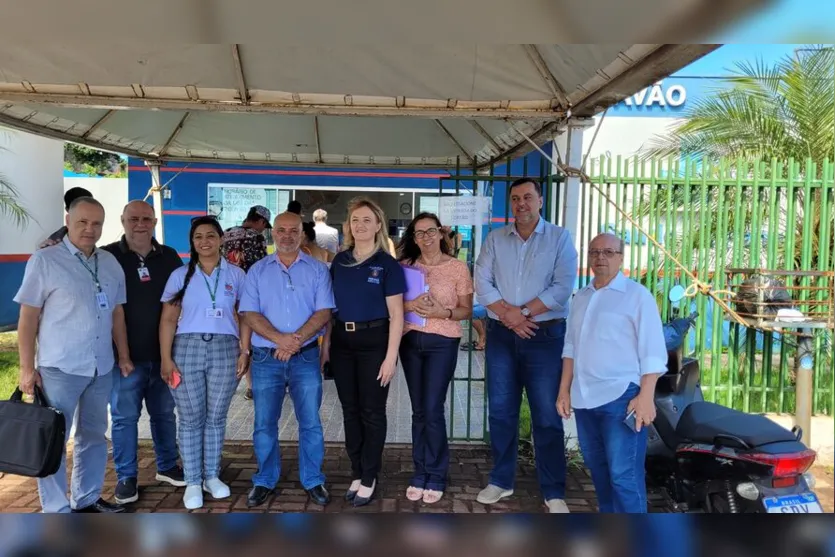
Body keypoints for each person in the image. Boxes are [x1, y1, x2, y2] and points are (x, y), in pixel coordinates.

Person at [14, 196, 128, 513]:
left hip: (100, 367)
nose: (89, 230)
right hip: (59, 368)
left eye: (96, 224)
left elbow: (117, 313)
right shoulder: (45, 260)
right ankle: (55, 509)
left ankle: (86, 498)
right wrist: (26, 369)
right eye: (82, 222)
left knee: (93, 435)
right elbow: (27, 318)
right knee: (52, 439)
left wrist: (123, 355)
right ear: (68, 221)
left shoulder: (109, 262)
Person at [473, 177, 578, 513]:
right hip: (503, 335)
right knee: (501, 412)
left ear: (540, 201)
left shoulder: (560, 238)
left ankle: (553, 490)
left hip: (544, 336)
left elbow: (563, 287)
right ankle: (501, 481)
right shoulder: (494, 239)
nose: (521, 204)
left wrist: (524, 313)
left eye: (528, 197)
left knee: (546, 415)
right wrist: (510, 316)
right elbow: (481, 281)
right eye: (516, 198)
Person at [557, 233, 667, 513]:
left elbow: (652, 351)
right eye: (594, 252)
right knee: (599, 472)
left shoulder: (636, 296)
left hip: (622, 398)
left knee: (624, 477)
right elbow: (570, 346)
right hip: (584, 398)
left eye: (608, 252)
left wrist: (646, 396)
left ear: (621, 257)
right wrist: (564, 390)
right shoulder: (581, 297)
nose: (600, 258)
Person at [238, 212, 335, 508]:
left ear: (302, 234)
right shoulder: (257, 270)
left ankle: (313, 479)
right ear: (273, 234)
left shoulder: (319, 270)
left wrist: (294, 342)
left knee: (311, 423)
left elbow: (324, 312)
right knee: (264, 423)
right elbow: (249, 313)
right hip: (267, 358)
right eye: (281, 230)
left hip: (304, 357)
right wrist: (281, 340)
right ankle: (265, 479)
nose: (287, 235)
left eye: (294, 230)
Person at [159, 216, 250, 510]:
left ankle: (212, 475)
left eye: (211, 236)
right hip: (186, 349)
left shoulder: (236, 275)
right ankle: (193, 480)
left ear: (221, 239)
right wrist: (165, 358)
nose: (205, 242)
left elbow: (245, 316)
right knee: (190, 417)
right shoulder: (179, 275)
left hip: (225, 348)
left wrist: (244, 350)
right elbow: (168, 320)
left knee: (216, 416)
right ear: (192, 242)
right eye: (199, 237)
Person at [322, 197, 406, 507]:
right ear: (348, 226)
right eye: (355, 220)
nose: (360, 225)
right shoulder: (340, 261)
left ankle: (370, 475)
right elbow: (331, 310)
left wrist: (390, 357)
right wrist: (327, 347)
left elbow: (397, 315)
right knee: (350, 410)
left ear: (378, 225)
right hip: (344, 342)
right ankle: (357, 471)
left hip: (375, 343)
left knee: (372, 412)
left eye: (367, 220)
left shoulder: (387, 264)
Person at [102, 200, 186, 505]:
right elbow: (112, 308)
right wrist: (123, 355)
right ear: (122, 221)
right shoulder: (108, 256)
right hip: (125, 357)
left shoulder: (169, 256)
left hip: (163, 354)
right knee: (124, 418)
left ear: (154, 222)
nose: (140, 224)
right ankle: (127, 477)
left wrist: (173, 353)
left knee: (164, 414)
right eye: (133, 219)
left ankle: (167, 466)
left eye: (146, 219)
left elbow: (180, 302)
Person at [397, 213, 473, 504]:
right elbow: (393, 305)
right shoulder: (405, 267)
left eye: (431, 231)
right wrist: (409, 304)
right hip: (411, 339)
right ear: (413, 238)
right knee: (418, 410)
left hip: (443, 341)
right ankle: (420, 472)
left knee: (433, 408)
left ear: (441, 234)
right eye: (419, 233)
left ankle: (437, 473)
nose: (426, 237)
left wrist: (445, 313)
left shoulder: (457, 268)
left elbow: (467, 309)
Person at [222, 204, 271, 401]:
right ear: (260, 221)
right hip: (249, 294)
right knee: (248, 338)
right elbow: (262, 267)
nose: (263, 229)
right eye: (264, 225)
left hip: (226, 292)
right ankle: (251, 385)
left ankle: (229, 380)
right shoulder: (256, 237)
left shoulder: (226, 233)